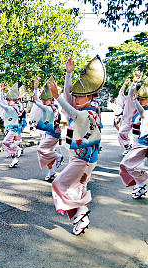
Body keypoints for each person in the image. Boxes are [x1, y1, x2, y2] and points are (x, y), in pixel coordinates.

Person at [50, 56, 104, 235]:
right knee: (79, 188)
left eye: (81, 96)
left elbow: (70, 109)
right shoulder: (84, 108)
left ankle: (79, 215)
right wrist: (68, 74)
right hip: (82, 159)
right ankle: (81, 218)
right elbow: (68, 100)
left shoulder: (90, 112)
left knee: (58, 184)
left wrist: (57, 97)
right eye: (77, 96)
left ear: (89, 96)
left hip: (83, 161)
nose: (77, 98)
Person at [119, 75, 148, 199]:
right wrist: (134, 83)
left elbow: (143, 113)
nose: (140, 101)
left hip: (143, 144)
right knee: (132, 165)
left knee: (127, 164)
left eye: (143, 99)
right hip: (136, 143)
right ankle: (140, 185)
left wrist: (136, 101)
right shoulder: (137, 110)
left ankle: (141, 184)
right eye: (139, 99)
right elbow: (130, 97)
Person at [31, 77, 63, 181]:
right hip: (45, 133)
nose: (44, 101)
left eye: (46, 100)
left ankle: (57, 156)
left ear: (52, 99)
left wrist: (36, 102)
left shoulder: (54, 107)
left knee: (41, 150)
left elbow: (43, 106)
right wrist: (35, 89)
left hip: (53, 134)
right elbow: (39, 101)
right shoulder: (45, 104)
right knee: (43, 154)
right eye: (43, 100)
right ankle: (51, 171)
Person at [0, 83, 22, 167]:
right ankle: (14, 159)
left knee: (5, 143)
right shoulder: (12, 106)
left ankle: (18, 148)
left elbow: (5, 107)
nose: (8, 101)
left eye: (9, 100)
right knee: (10, 144)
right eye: (7, 100)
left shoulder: (16, 107)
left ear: (14, 100)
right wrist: (1, 90)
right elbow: (2, 102)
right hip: (10, 128)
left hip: (14, 129)